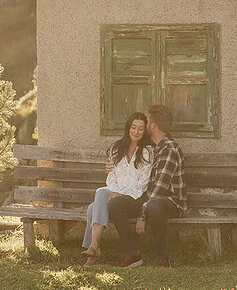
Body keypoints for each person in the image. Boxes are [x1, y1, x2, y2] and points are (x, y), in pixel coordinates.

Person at [109, 104, 186, 268]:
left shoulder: (169, 149)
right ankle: (133, 253)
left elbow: (159, 189)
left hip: (172, 201)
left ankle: (162, 257)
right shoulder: (156, 147)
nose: (146, 123)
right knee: (116, 204)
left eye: (148, 120)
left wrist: (142, 216)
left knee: (154, 206)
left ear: (153, 125)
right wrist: (110, 166)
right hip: (150, 199)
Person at [80, 112, 153, 266]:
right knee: (97, 199)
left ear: (144, 131)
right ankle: (94, 248)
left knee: (94, 207)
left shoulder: (147, 152)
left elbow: (143, 183)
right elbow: (111, 176)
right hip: (115, 194)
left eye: (141, 129)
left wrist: (120, 194)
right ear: (128, 128)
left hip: (135, 198)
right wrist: (114, 192)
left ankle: (93, 250)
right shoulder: (116, 148)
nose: (136, 132)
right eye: (133, 127)